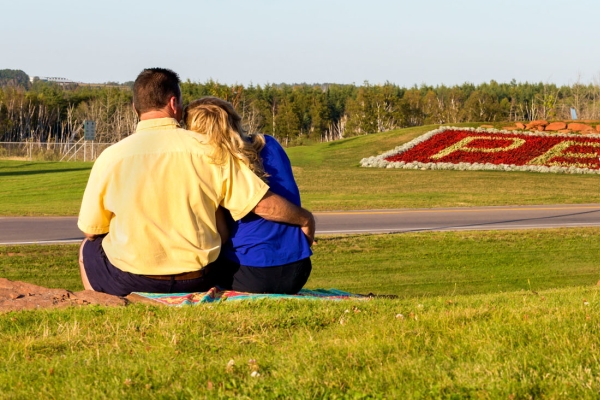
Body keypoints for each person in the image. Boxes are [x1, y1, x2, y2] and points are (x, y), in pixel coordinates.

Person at [78, 68, 315, 296]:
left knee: (87, 248)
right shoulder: (210, 149)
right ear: (173, 103)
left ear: (134, 107)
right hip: (198, 277)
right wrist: (305, 218)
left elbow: (90, 230)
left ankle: (100, 304)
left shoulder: (110, 157)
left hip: (132, 276)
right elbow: (257, 203)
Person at [183, 97, 312, 294]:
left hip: (250, 273)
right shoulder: (269, 144)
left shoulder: (216, 163)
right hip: (298, 268)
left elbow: (228, 231)